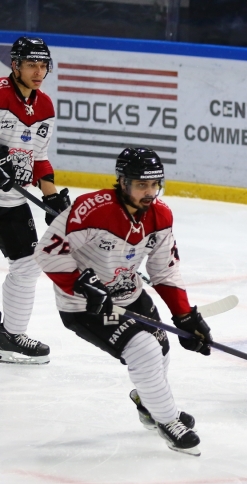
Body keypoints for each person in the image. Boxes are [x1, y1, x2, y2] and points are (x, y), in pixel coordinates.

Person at [34, 147, 212, 455]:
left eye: (155, 184)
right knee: (143, 349)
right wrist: (80, 283)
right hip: (85, 305)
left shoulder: (161, 216)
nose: (150, 192)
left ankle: (149, 404)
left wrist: (186, 318)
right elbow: (47, 252)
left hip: (130, 295)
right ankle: (167, 420)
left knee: (161, 351)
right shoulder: (91, 208)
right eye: (142, 184)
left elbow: (164, 271)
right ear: (123, 182)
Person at [0, 36, 71, 364]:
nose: (39, 71)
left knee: (27, 264)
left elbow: (39, 158)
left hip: (11, 200)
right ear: (15, 65)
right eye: (32, 64)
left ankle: (10, 335)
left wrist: (52, 197)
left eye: (44, 65)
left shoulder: (44, 105)